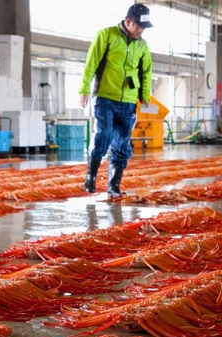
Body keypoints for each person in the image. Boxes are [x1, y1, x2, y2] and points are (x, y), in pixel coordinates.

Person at [79, 4, 153, 197]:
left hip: (128, 101)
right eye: (139, 26)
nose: (141, 31)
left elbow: (146, 72)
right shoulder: (106, 35)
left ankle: (114, 185)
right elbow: (91, 63)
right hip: (105, 97)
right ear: (129, 21)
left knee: (122, 143)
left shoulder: (142, 45)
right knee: (103, 134)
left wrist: (144, 95)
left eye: (144, 28)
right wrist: (84, 89)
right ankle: (91, 177)